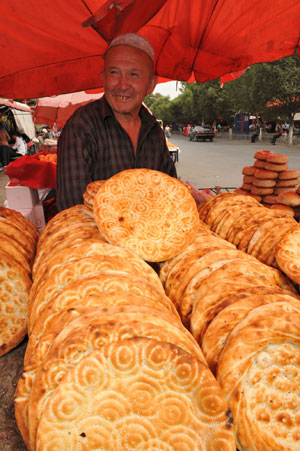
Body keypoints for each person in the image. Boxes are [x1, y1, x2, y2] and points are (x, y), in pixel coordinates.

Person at [56, 33, 178, 211]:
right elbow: (74, 211)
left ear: (151, 85)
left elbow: (170, 192)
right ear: (104, 78)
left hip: (152, 237)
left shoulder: (153, 130)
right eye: (114, 73)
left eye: (133, 74)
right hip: (96, 238)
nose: (122, 84)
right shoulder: (81, 127)